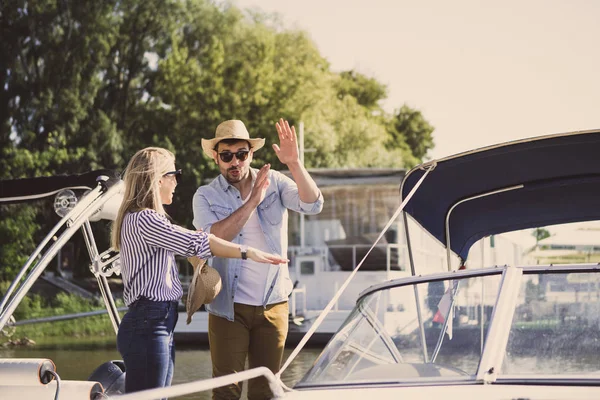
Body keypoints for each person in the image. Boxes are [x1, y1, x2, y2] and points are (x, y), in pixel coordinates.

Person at [111, 147, 287, 396]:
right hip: (149, 323)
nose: (176, 182)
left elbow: (189, 245)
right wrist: (247, 252)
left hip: (154, 321)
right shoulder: (146, 219)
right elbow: (198, 241)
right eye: (175, 174)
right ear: (158, 178)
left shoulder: (139, 219)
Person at [192, 119, 324, 400]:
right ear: (216, 157)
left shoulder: (274, 180)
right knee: (227, 391)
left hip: (273, 305)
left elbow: (313, 204)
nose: (234, 162)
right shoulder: (205, 195)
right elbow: (212, 241)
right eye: (226, 156)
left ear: (251, 154)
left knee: (266, 390)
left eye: (241, 154)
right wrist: (252, 201)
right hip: (228, 307)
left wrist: (295, 164)